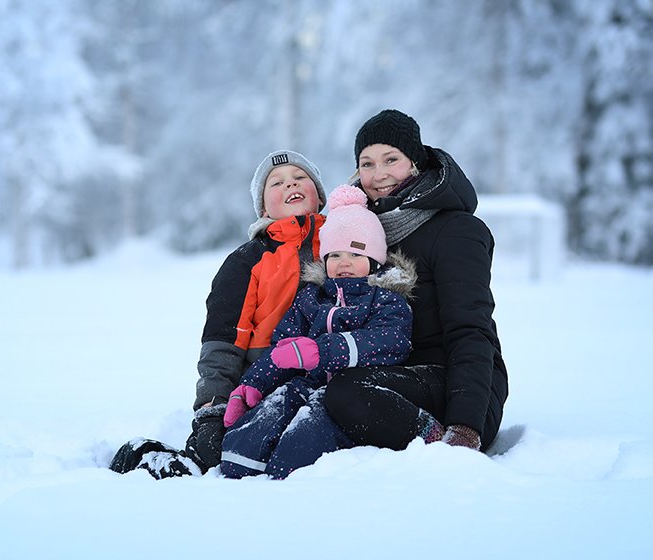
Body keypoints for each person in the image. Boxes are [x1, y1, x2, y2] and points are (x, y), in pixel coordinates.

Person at [109, 150, 328, 479]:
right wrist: (213, 409)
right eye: (277, 183)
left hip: (326, 377)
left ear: (320, 196)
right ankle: (147, 456)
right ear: (264, 208)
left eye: (300, 178)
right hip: (260, 385)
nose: (290, 184)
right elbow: (223, 341)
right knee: (222, 458)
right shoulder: (246, 261)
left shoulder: (345, 246)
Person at [323, 109, 508, 452]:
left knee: (345, 392)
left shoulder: (457, 231)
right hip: (389, 376)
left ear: (415, 162)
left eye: (391, 159)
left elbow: (471, 331)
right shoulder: (360, 230)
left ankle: (434, 443)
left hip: (457, 383)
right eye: (367, 163)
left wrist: (465, 426)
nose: (378, 175)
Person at [220, 184, 418, 479]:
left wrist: (323, 351)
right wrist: (253, 385)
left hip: (350, 396)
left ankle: (290, 484)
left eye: (355, 253)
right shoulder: (311, 298)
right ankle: (241, 468)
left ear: (375, 260)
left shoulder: (386, 299)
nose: (344, 263)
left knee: (295, 454)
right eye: (334, 255)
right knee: (243, 446)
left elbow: (391, 341)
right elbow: (282, 350)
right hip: (306, 385)